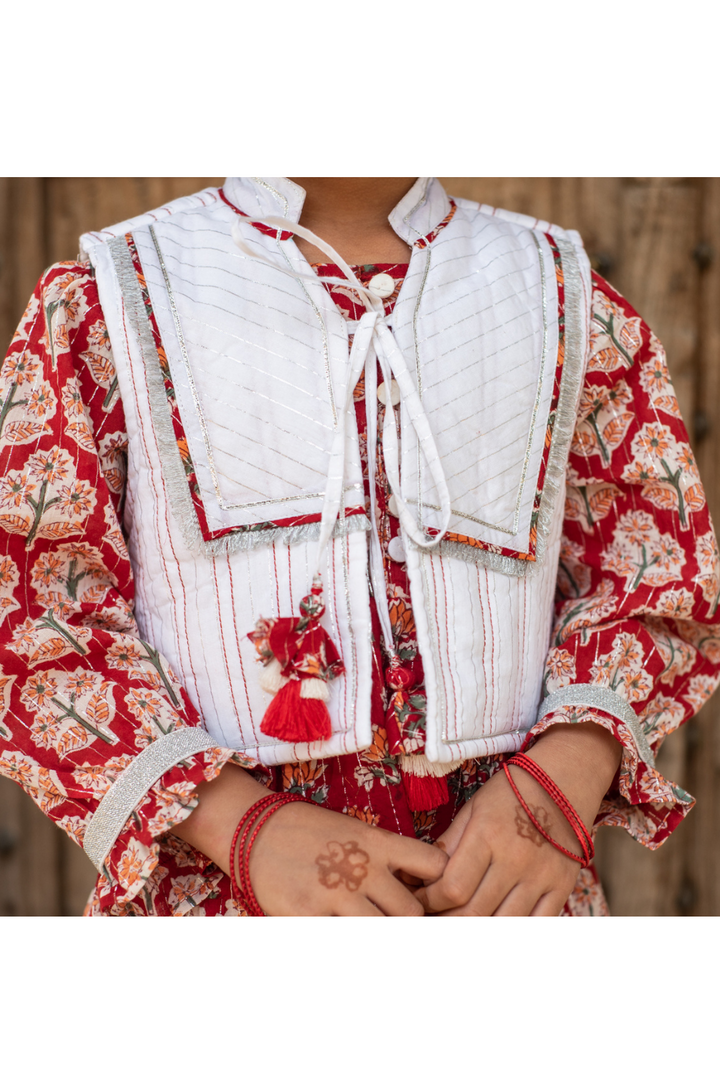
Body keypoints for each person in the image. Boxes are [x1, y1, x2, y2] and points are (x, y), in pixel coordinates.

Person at [1, 176, 718, 917]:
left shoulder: (562, 297)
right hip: (219, 887)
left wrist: (569, 766)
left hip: (500, 887)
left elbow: (652, 576)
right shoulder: (111, 297)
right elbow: (32, 613)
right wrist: (237, 824)